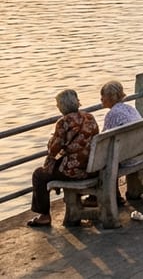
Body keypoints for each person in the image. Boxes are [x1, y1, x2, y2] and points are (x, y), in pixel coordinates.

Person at [28, 89, 99, 227]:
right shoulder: (89, 117)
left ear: (62, 106)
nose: (57, 107)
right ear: (76, 102)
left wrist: (51, 141)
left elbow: (53, 149)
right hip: (93, 167)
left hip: (74, 171)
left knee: (39, 175)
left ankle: (44, 216)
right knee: (48, 170)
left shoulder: (63, 122)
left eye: (57, 104)